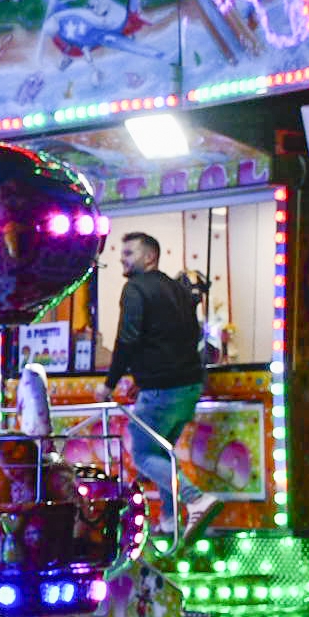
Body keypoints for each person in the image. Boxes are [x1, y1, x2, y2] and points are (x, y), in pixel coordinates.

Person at [105, 231, 219, 543]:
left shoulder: (135, 289)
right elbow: (194, 335)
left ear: (149, 257)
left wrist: (109, 383)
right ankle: (169, 522)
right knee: (162, 453)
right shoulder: (179, 290)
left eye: (129, 253)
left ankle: (195, 498)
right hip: (189, 386)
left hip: (160, 388)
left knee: (143, 454)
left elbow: (127, 338)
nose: (122, 259)